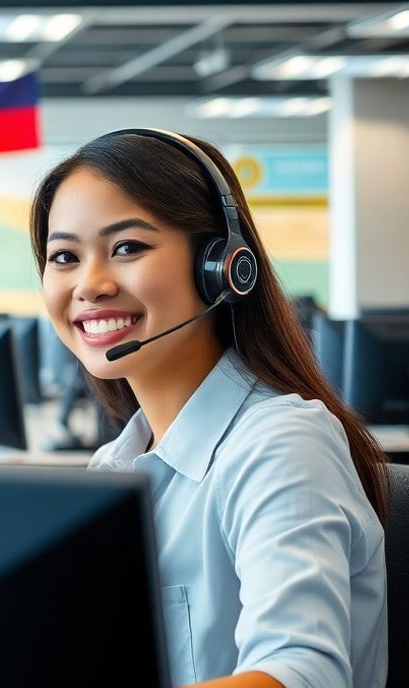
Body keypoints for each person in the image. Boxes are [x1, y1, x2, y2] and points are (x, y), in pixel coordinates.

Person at [31, 128, 387, 688]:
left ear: (222, 266)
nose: (90, 284)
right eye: (64, 256)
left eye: (127, 247)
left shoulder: (280, 443)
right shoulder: (114, 469)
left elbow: (300, 672)